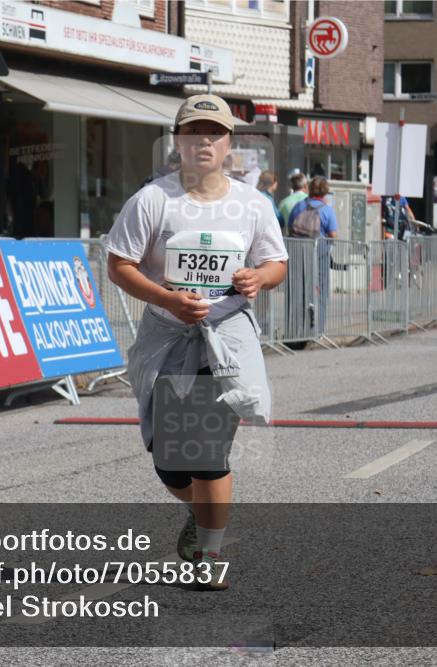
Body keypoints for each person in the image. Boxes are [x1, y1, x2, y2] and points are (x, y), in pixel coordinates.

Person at [104, 94, 288, 591]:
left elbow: (277, 263)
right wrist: (167, 297)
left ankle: (210, 553)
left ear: (229, 142)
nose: (204, 140)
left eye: (214, 132)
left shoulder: (251, 203)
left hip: (225, 338)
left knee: (207, 452)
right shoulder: (152, 200)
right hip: (168, 337)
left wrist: (258, 279)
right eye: (194, 132)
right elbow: (118, 264)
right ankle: (200, 512)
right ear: (178, 141)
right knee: (170, 461)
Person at [286, 177, 338, 348]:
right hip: (319, 255)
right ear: (324, 191)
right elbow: (333, 236)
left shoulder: (298, 206)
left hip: (297, 254)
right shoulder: (327, 210)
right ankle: (317, 330)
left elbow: (289, 228)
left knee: (297, 292)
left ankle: (295, 330)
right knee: (320, 292)